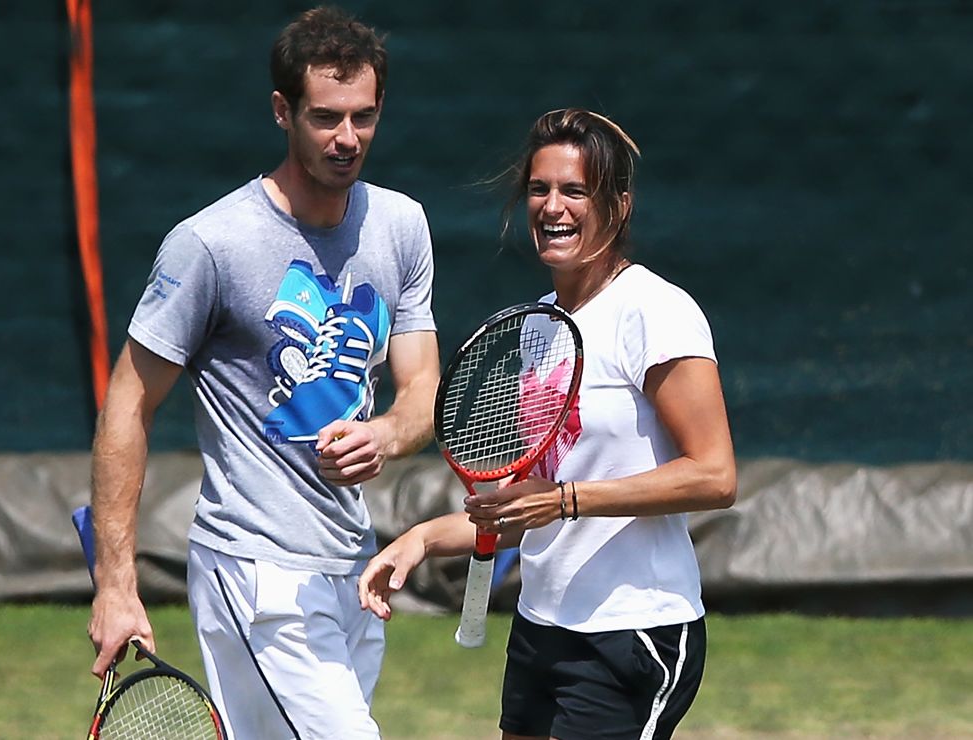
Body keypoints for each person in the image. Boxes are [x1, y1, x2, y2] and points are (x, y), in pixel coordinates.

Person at [86, 7, 440, 739]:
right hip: (253, 573)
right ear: (283, 111)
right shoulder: (211, 245)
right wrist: (115, 583)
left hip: (353, 566)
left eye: (364, 117)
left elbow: (422, 391)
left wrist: (387, 434)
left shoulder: (401, 225)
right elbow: (128, 404)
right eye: (326, 117)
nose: (347, 139)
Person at [358, 108, 736, 740]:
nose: (552, 206)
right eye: (540, 189)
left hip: (632, 632)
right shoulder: (540, 326)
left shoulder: (656, 312)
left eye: (574, 190)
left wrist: (566, 501)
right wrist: (420, 539)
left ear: (618, 204)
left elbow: (716, 476)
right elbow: (523, 507)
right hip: (542, 627)